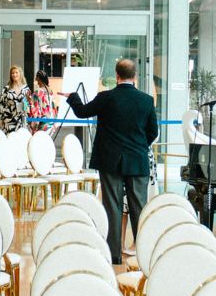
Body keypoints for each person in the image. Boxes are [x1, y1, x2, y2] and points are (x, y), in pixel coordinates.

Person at [65, 58, 158, 265]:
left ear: (117, 76)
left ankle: (114, 255)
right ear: (135, 77)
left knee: (112, 206)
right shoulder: (146, 100)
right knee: (139, 208)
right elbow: (153, 131)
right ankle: (143, 254)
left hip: (110, 161)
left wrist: (72, 97)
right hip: (137, 160)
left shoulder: (106, 97)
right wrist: (140, 146)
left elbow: (82, 112)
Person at [0, 65, 29, 132]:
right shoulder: (6, 89)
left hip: (21, 120)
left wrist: (25, 108)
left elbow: (27, 104)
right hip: (8, 120)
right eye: (12, 73)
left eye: (16, 72)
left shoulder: (25, 89)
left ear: (20, 74)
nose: (14, 74)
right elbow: (1, 104)